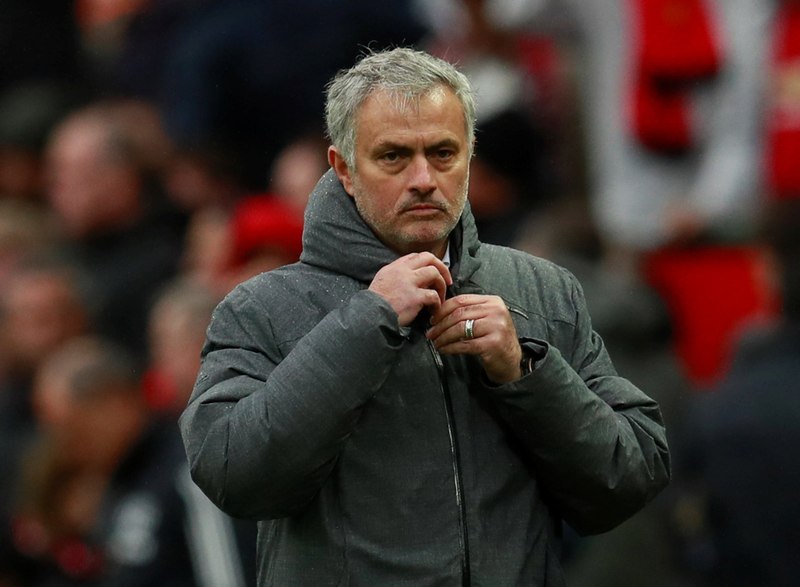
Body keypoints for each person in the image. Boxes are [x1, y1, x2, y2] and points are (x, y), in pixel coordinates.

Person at [180, 47, 671, 585]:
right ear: (344, 168)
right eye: (393, 156)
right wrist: (368, 322)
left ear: (470, 157)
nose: (423, 179)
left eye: (443, 153)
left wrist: (527, 372)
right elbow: (233, 475)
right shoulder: (261, 309)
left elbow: (628, 479)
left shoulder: (544, 291)